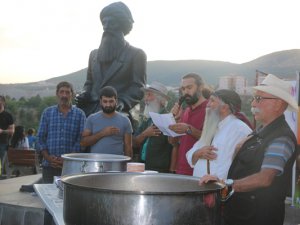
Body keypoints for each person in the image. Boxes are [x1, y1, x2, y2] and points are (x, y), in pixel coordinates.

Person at [200, 74, 299, 225]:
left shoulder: (281, 138)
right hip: (240, 214)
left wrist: (226, 184)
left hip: (257, 217)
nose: (253, 103)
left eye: (259, 99)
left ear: (279, 104)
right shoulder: (261, 131)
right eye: (254, 98)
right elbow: (244, 167)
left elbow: (264, 178)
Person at [75, 1, 147, 117]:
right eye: (104, 23)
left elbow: (138, 87)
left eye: (112, 23)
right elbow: (89, 83)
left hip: (115, 111)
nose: (106, 27)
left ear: (122, 25)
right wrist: (84, 93)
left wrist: (122, 102)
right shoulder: (93, 55)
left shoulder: (136, 54)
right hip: (89, 111)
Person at [186, 89, 252, 179]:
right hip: (202, 187)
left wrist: (217, 181)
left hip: (218, 189)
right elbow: (190, 154)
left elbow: (235, 165)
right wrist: (198, 153)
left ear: (224, 107)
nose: (207, 105)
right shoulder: (213, 127)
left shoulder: (239, 129)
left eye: (212, 101)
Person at [37, 81, 86, 183]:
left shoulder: (80, 114)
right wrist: (49, 158)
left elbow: (81, 140)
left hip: (71, 168)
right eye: (62, 92)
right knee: (48, 195)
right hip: (49, 166)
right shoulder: (47, 113)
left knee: (69, 198)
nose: (64, 95)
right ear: (57, 94)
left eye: (67, 92)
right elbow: (40, 138)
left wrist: (67, 159)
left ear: (72, 95)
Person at [168, 73, 208, 175]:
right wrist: (172, 120)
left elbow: (213, 140)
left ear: (201, 87)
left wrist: (188, 129)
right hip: (181, 169)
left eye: (189, 87)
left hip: (199, 171)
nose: (186, 92)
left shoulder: (210, 110)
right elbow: (173, 142)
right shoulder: (185, 111)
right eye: (183, 89)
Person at [81, 86, 133, 157]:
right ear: (100, 102)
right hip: (96, 164)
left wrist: (128, 166)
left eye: (111, 101)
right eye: (105, 101)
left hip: (117, 165)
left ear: (116, 101)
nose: (108, 105)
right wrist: (102, 133)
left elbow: (128, 147)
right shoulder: (91, 118)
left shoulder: (125, 120)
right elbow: (83, 142)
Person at [133, 82, 173, 172]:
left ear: (161, 100)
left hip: (160, 172)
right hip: (143, 167)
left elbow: (175, 146)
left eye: (149, 95)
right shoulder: (147, 119)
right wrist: (145, 134)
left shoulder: (168, 119)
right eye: (146, 95)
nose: (146, 99)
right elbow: (134, 143)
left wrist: (172, 171)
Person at [0, 95, 15, 175]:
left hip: (3, 143)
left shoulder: (8, 115)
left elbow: (12, 131)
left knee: (2, 165)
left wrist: (2, 131)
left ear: (3, 102)